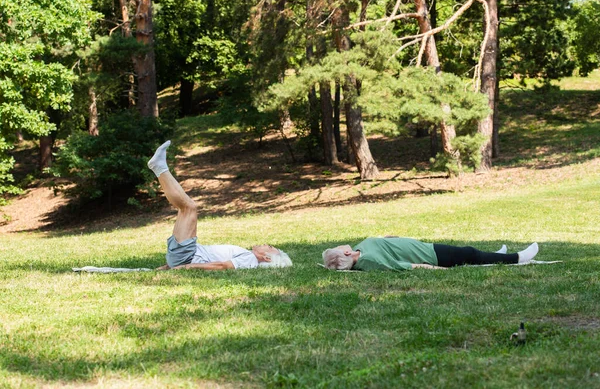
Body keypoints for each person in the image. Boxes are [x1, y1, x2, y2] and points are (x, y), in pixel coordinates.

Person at [148, 140, 292, 271]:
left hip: (187, 256)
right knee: (184, 208)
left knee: (189, 208)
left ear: (267, 257)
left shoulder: (250, 260)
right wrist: (168, 267)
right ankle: (159, 167)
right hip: (185, 255)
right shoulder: (248, 257)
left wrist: (185, 267)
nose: (267, 244)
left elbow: (221, 266)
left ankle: (159, 167)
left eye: (271, 247)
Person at [322, 236, 539, 271]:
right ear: (347, 254)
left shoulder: (361, 248)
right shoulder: (370, 261)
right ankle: (517, 258)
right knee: (470, 253)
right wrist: (438, 270)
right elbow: (407, 267)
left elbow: (385, 241)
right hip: (432, 256)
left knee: (471, 253)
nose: (342, 245)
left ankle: (494, 253)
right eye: (341, 248)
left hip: (425, 246)